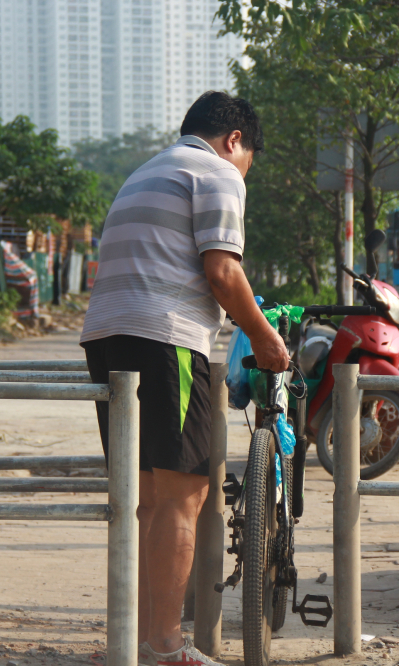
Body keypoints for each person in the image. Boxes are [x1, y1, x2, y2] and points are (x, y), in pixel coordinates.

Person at [80, 92, 290, 666]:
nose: (246, 171)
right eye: (250, 159)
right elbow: (223, 271)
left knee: (147, 498)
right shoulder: (218, 172)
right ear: (234, 142)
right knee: (185, 492)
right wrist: (268, 338)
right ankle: (168, 647)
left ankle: (138, 642)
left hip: (107, 337)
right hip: (164, 337)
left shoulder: (147, 170)